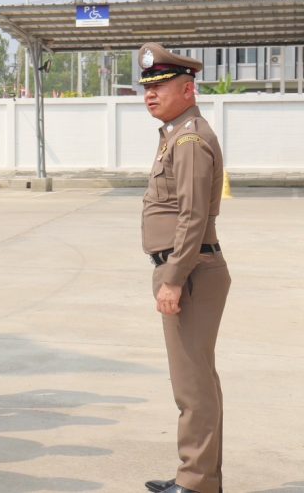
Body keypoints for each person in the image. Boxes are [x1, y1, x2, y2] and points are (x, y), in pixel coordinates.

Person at [137, 43, 229, 493]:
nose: (150, 95)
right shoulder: (176, 134)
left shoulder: (189, 140)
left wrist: (173, 279)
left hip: (190, 270)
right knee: (195, 382)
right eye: (147, 88)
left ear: (188, 90)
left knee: (192, 386)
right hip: (186, 267)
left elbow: (192, 218)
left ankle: (196, 482)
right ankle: (199, 477)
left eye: (160, 86)